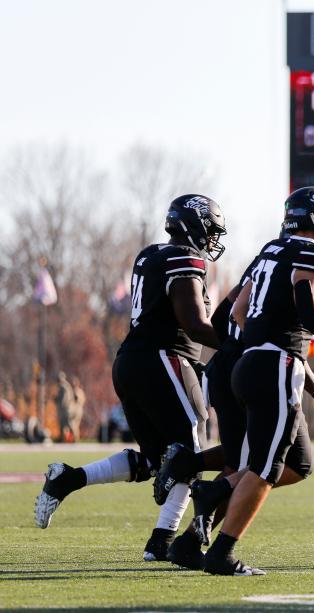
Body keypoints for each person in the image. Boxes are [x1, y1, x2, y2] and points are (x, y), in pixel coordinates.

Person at [34, 194, 228, 564]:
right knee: (187, 455)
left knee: (157, 462)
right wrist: (239, 344)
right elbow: (193, 323)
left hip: (130, 363)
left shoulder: (150, 254)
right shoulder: (184, 258)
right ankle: (161, 542)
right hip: (165, 360)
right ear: (195, 225)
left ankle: (68, 479)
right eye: (210, 230)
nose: (212, 239)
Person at [155, 233, 314, 571]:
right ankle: (215, 544)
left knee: (291, 463)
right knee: (259, 464)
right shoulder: (300, 260)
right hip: (257, 367)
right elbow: (289, 333)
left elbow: (230, 316)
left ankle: (189, 533)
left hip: (238, 365)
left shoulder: (267, 259)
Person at [196, 186, 314, 576]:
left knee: (271, 462)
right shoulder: (311, 253)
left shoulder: (271, 250)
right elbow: (313, 317)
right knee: (268, 467)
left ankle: (217, 492)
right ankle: (222, 552)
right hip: (277, 366)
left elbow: (237, 311)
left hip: (246, 363)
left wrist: (263, 337)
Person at [54, 372, 75, 443]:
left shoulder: (64, 386)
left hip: (66, 409)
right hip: (67, 408)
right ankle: (64, 439)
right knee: (64, 424)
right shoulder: (66, 386)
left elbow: (65, 398)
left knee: (68, 424)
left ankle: (72, 438)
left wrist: (58, 401)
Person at [69, 376, 85, 442]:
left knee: (75, 425)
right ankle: (73, 439)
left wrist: (76, 397)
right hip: (73, 410)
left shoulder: (79, 391)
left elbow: (81, 400)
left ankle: (75, 439)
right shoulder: (71, 391)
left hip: (78, 410)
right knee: (73, 425)